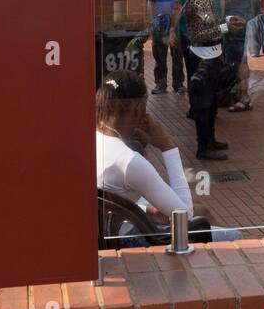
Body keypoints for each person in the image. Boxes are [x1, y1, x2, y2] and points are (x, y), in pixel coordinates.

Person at [96, 70, 240, 241]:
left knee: (201, 208)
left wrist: (143, 209)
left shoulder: (95, 137)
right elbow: (184, 216)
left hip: (114, 223)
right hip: (130, 237)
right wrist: (167, 147)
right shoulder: (129, 160)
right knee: (232, 236)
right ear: (138, 108)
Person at [182, 0, 236, 160]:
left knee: (211, 101)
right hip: (202, 55)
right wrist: (226, 27)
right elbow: (205, 30)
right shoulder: (199, 0)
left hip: (208, 53)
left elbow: (210, 24)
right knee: (204, 103)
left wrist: (225, 23)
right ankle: (203, 147)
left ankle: (210, 140)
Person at [221, 0, 256, 110]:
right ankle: (239, 94)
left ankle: (243, 96)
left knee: (238, 61)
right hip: (243, 21)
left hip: (236, 24)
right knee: (240, 59)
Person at [146, 0, 183, 94]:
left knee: (177, 55)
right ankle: (160, 84)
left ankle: (178, 84)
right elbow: (150, 3)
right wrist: (151, 21)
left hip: (176, 26)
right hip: (160, 26)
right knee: (159, 56)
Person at [170, 0, 207, 86]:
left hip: (188, 34)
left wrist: (172, 30)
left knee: (192, 70)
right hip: (209, 35)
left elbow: (177, 9)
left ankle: (196, 103)